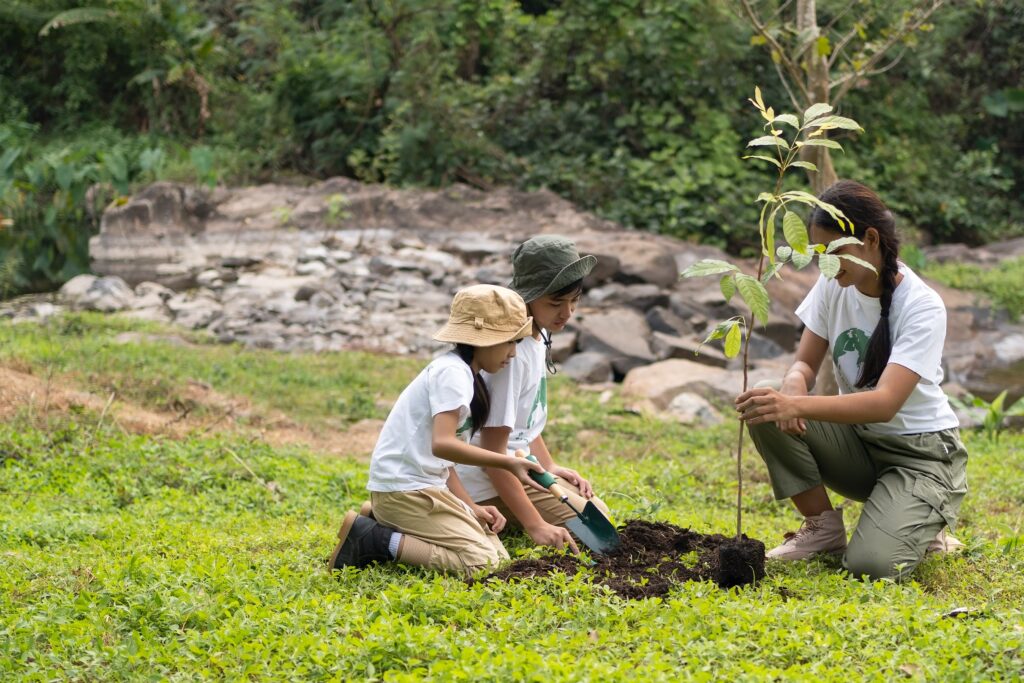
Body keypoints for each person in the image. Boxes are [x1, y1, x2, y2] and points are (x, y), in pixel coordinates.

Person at [734, 180, 967, 581]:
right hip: (860, 446)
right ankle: (823, 530)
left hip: (921, 458)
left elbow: (885, 403)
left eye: (833, 250)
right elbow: (804, 364)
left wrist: (799, 404)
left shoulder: (922, 305)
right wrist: (792, 385)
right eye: (819, 251)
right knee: (766, 408)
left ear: (870, 239)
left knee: (871, 567)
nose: (825, 261)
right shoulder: (833, 282)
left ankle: (922, 520)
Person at [328, 284, 561, 575]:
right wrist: (509, 462)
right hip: (405, 491)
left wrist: (471, 507)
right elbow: (442, 444)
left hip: (426, 488)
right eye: (510, 342)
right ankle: (375, 538)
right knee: (487, 565)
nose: (513, 354)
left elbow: (444, 462)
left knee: (496, 550)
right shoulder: (452, 374)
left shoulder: (469, 376)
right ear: (482, 341)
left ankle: (385, 519)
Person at [454, 235, 610, 548]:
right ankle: (453, 512)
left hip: (516, 464)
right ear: (529, 297)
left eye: (574, 301)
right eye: (555, 303)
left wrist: (549, 466)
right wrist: (534, 524)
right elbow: (492, 454)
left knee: (597, 512)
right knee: (592, 524)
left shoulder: (536, 337)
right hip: (484, 476)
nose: (567, 312)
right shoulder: (510, 354)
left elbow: (521, 424)